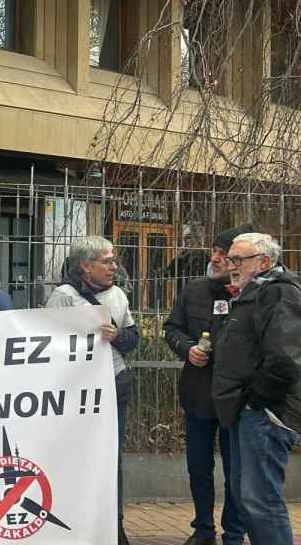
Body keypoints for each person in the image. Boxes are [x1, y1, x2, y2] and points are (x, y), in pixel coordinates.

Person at [44, 236, 138, 545]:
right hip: (76, 390)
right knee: (75, 454)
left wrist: (118, 336)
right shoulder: (64, 296)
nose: (114, 266)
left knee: (112, 457)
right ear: (86, 266)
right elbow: (48, 342)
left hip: (113, 383)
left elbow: (132, 339)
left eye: (113, 260)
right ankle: (74, 522)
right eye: (107, 261)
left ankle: (114, 525)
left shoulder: (119, 295)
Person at [163, 224, 253, 545]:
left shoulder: (251, 294)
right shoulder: (193, 290)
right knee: (199, 468)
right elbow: (171, 329)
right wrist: (187, 348)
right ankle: (203, 530)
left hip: (237, 401)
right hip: (198, 395)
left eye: (223, 254)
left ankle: (234, 533)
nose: (215, 258)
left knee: (236, 473)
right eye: (214, 251)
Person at [212, 232, 301, 545]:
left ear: (264, 262)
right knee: (247, 496)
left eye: (239, 259)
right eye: (230, 257)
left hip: (265, 412)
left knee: (260, 499)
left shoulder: (279, 293)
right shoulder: (252, 292)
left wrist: (255, 402)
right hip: (245, 411)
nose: (230, 264)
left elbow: (285, 358)